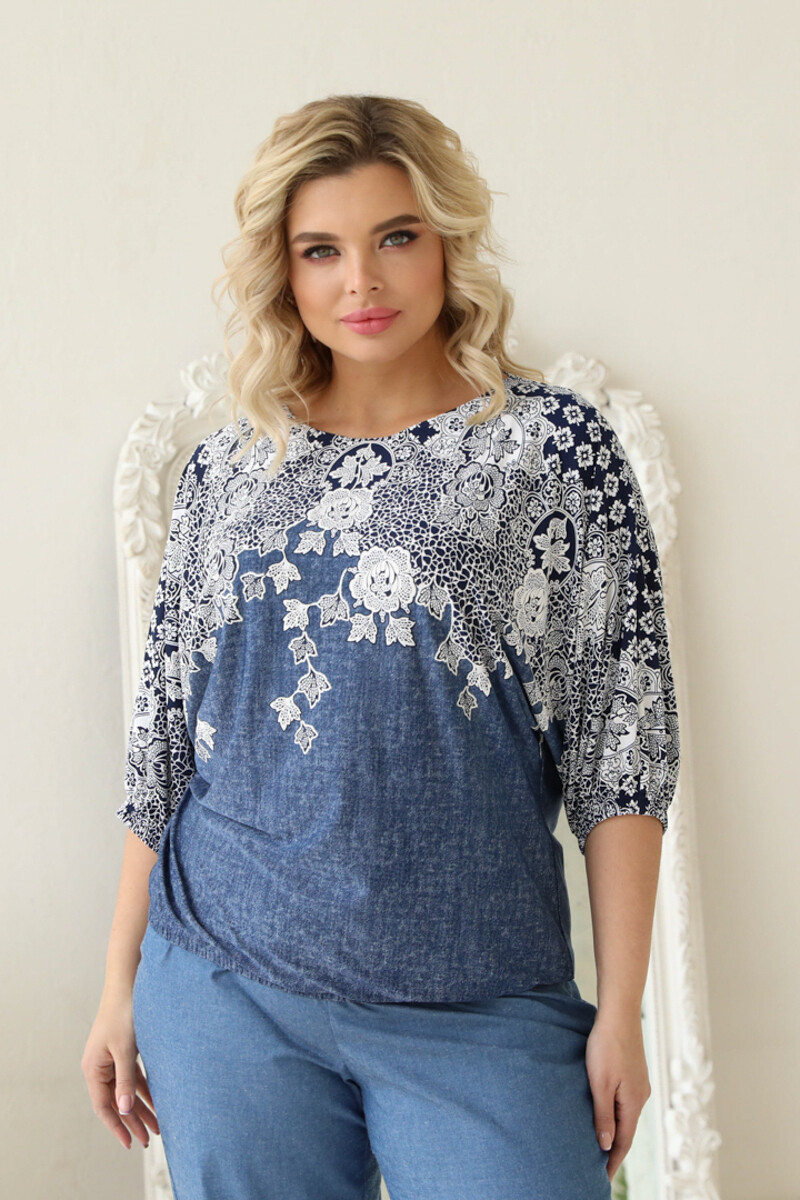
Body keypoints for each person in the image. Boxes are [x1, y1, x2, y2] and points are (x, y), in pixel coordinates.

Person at [82, 94, 679, 1200]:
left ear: (446, 241)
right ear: (284, 271)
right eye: (322, 250)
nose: (361, 281)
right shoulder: (229, 470)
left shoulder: (551, 452)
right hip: (227, 987)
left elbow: (621, 743)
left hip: (481, 1000)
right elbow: (165, 743)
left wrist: (623, 1013)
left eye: (395, 237)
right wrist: (118, 985)